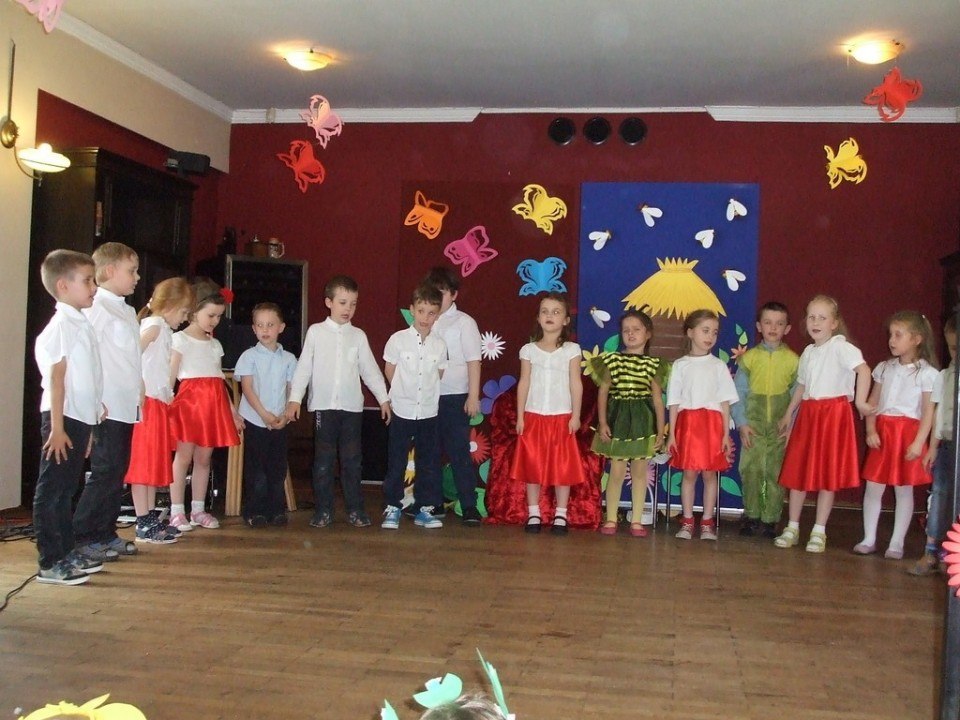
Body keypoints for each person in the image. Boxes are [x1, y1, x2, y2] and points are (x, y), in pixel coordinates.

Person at [286, 275, 391, 528]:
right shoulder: (316, 332)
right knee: (323, 460)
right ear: (329, 302)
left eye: (353, 304)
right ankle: (324, 510)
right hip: (324, 408)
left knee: (352, 461)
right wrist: (294, 399)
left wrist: (384, 399)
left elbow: (370, 370)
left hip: (351, 409)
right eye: (343, 303)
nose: (348, 309)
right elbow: (304, 368)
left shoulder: (358, 336)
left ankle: (355, 510)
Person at [775, 295, 873, 553]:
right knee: (798, 470)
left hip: (833, 415)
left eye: (822, 317)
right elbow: (802, 386)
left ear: (834, 323)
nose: (815, 322)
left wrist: (860, 401)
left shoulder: (841, 347)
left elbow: (863, 370)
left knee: (827, 473)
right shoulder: (808, 352)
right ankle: (793, 526)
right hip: (809, 414)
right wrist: (789, 414)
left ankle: (819, 530)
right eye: (811, 317)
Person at [32, 250, 106, 585]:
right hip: (61, 419)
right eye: (87, 281)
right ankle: (51, 560)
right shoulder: (61, 326)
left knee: (67, 489)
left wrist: (91, 418)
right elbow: (57, 379)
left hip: (78, 419)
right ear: (63, 286)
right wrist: (58, 428)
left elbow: (87, 374)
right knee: (53, 489)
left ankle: (66, 550)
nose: (94, 287)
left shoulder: (80, 322)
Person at [72, 243, 143, 562]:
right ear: (110, 271)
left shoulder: (125, 310)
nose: (137, 277)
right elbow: (88, 357)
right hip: (107, 406)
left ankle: (104, 531)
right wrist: (93, 402)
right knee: (105, 470)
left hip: (125, 405)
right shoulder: (97, 308)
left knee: (117, 471)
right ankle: (82, 535)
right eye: (132, 271)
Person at [855, 311, 938, 560]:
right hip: (884, 434)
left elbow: (928, 412)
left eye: (898, 335)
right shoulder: (884, 368)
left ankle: (896, 542)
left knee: (903, 489)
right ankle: (869, 538)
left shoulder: (927, 373)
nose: (892, 340)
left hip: (907, 435)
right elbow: (873, 402)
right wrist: (871, 429)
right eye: (891, 334)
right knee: (874, 487)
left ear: (916, 339)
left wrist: (919, 442)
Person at [167, 280, 243, 532]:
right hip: (189, 407)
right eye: (210, 315)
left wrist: (232, 412)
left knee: (203, 458)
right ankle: (177, 511)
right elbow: (171, 376)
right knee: (183, 458)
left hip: (212, 407)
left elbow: (219, 380)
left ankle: (198, 510)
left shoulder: (215, 345)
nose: (215, 321)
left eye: (219, 316)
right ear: (193, 311)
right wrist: (165, 401)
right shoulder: (179, 340)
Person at [125, 277, 195, 544]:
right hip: (147, 403)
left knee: (153, 464)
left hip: (158, 404)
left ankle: (150, 518)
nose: (185, 318)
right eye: (184, 312)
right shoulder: (153, 326)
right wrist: (139, 384)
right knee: (143, 465)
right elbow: (132, 354)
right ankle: (143, 521)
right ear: (170, 305)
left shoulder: (163, 329)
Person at [589, 310, 667, 537]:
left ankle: (637, 520)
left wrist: (660, 431)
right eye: (626, 331)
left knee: (640, 471)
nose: (631, 334)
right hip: (619, 421)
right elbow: (603, 392)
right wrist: (603, 422)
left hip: (643, 422)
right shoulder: (612, 360)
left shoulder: (654, 364)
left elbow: (657, 400)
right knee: (616, 470)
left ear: (648, 334)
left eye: (636, 330)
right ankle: (611, 518)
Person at [512, 293, 584, 535]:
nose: (550, 316)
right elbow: (524, 382)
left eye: (556, 312)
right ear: (538, 317)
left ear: (565, 320)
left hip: (561, 416)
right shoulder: (528, 350)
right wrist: (521, 416)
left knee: (562, 467)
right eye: (545, 311)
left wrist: (575, 415)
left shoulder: (572, 350)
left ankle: (561, 514)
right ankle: (534, 512)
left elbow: (576, 383)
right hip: (534, 416)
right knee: (532, 465)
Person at [666, 309, 739, 541]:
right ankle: (687, 520)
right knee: (689, 474)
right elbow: (674, 402)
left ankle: (707, 521)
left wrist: (725, 434)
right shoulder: (680, 365)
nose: (710, 336)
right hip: (688, 425)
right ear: (690, 332)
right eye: (705, 330)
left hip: (712, 426)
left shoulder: (718, 365)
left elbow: (725, 402)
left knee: (709, 475)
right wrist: (672, 434)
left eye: (714, 332)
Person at [380, 284, 447, 530]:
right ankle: (393, 507)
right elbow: (390, 370)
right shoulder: (398, 340)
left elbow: (438, 374)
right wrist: (401, 394)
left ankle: (423, 509)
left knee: (427, 462)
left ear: (437, 315)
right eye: (421, 311)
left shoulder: (440, 345)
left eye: (431, 313)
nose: (425, 318)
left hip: (428, 412)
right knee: (397, 461)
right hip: (402, 410)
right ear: (412, 310)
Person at [731, 301, 799, 538]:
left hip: (780, 426)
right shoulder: (749, 358)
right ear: (759, 326)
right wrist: (742, 423)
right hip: (753, 425)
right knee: (751, 469)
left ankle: (771, 518)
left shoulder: (793, 360)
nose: (773, 328)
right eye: (768, 323)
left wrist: (791, 425)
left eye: (779, 324)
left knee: (775, 471)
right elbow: (738, 393)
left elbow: (797, 396)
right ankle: (751, 515)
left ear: (787, 329)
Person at [424, 266, 483, 526]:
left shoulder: (464, 322)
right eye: (434, 291)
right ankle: (434, 501)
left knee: (459, 451)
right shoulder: (425, 320)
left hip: (455, 396)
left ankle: (469, 505)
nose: (438, 297)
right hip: (429, 396)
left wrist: (473, 395)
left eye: (443, 292)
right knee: (430, 451)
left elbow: (473, 361)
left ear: (454, 295)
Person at [235, 302, 297, 527]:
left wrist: (284, 416)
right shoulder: (248, 356)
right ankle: (254, 511)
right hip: (255, 420)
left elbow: (292, 389)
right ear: (253, 329)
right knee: (256, 469)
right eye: (260, 325)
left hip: (280, 421)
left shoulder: (289, 359)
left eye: (270, 325)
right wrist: (263, 415)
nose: (265, 330)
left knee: (277, 467)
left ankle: (276, 509)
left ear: (281, 327)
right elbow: (247, 389)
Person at [911, 317, 957, 575]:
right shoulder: (944, 376)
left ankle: (953, 554)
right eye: (952, 348)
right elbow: (938, 414)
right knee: (939, 495)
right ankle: (931, 551)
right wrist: (932, 447)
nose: (955, 354)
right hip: (947, 446)